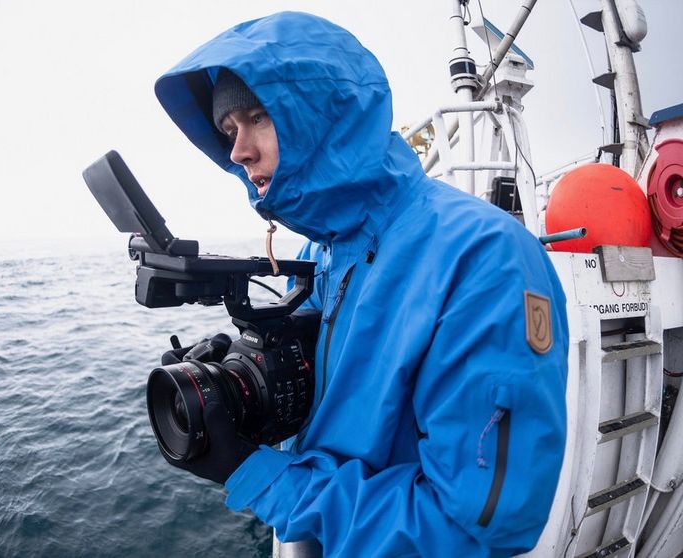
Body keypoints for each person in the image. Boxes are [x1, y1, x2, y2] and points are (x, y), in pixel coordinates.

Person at [153, 11, 569, 557]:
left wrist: (262, 477)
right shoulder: (324, 250)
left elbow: (473, 534)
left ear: (327, 116)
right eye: (229, 131)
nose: (238, 151)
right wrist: (251, 366)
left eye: (258, 117)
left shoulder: (485, 257)